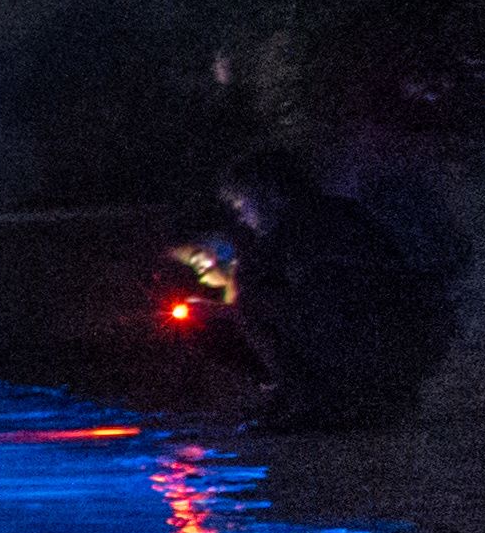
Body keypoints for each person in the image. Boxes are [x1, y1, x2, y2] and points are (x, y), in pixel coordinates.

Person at [196, 147, 458, 426]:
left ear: (269, 193)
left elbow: (290, 301)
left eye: (241, 204)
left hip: (368, 345)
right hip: (408, 347)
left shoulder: (289, 230)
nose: (242, 217)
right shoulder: (343, 212)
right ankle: (352, 398)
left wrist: (219, 312)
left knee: (250, 296)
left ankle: (309, 401)